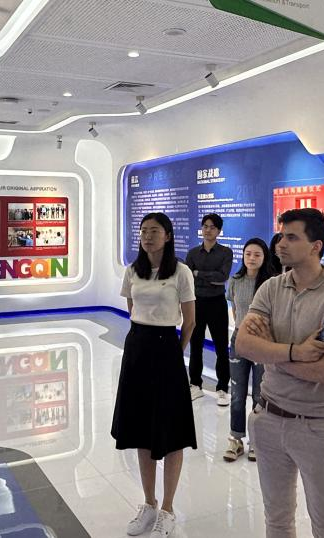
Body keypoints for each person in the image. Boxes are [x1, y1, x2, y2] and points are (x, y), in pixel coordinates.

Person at [236, 208, 324, 538]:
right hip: (269, 416)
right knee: (276, 519)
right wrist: (296, 352)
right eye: (281, 236)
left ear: (316, 246)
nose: (280, 244)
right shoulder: (271, 288)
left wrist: (272, 353)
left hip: (318, 426)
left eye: (291, 237)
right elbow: (244, 344)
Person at [112, 212, 197, 538]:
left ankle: (168, 509)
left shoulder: (181, 272)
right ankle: (149, 503)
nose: (147, 236)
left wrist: (175, 351)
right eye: (144, 231)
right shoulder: (133, 270)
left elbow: (189, 320)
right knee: (140, 428)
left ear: (168, 236)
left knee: (171, 429)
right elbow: (133, 309)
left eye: (155, 231)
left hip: (166, 350)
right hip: (137, 348)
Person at [223, 238, 276, 463]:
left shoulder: (271, 284)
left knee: (259, 394)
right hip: (239, 340)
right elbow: (235, 310)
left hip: (262, 343)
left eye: (257, 254)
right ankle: (236, 439)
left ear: (264, 257)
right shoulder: (235, 281)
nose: (251, 258)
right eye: (248, 254)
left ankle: (257, 441)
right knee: (237, 393)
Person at [184, 213, 233, 405]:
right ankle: (195, 384)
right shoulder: (193, 253)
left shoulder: (225, 253)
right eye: (205, 226)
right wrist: (207, 276)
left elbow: (222, 277)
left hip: (217, 303)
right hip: (196, 303)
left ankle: (222, 388)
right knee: (195, 345)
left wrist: (198, 273)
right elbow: (188, 277)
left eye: (212, 227)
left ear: (219, 231)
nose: (208, 230)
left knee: (221, 347)